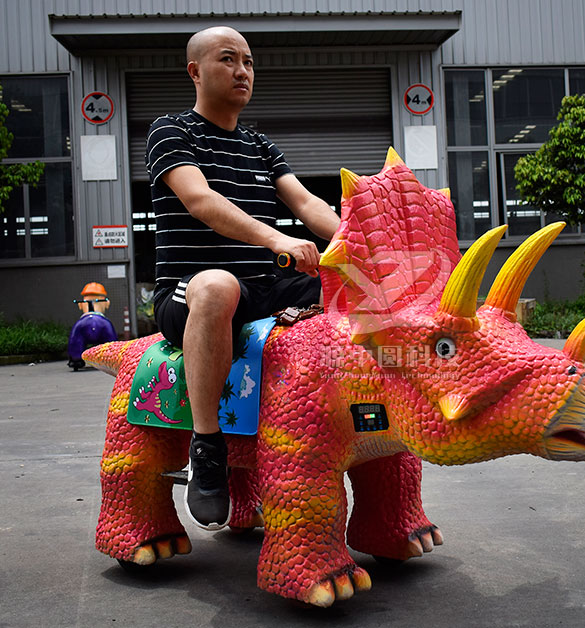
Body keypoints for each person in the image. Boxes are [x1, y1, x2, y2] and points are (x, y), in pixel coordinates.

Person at [146, 26, 339, 530]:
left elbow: (305, 202)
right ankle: (207, 449)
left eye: (249, 62)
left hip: (263, 289)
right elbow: (201, 200)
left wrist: (359, 243)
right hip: (192, 293)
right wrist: (277, 240)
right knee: (217, 285)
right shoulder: (171, 132)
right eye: (228, 59)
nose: (242, 71)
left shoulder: (259, 144)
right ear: (195, 71)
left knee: (347, 285)